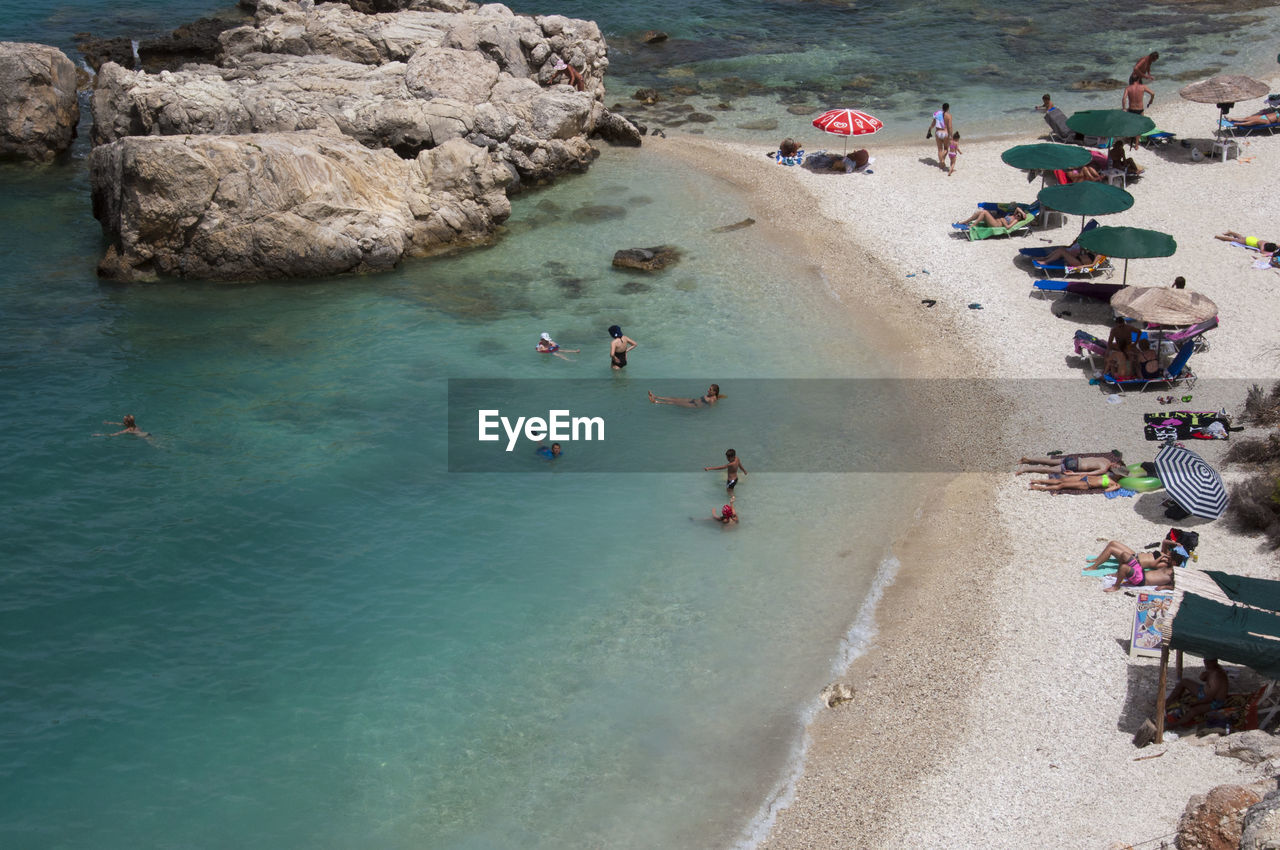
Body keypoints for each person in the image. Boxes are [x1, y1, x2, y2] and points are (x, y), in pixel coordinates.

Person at [1085, 540, 1181, 591]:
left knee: (1120, 562)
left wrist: (1164, 587)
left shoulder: (1166, 566)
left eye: (1171, 557)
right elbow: (1164, 541)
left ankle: (1115, 585)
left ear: (1175, 562)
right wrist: (1175, 543)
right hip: (1138, 563)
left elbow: (1176, 585)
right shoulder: (1167, 560)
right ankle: (1099, 560)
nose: (1169, 556)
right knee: (1117, 548)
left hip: (1140, 575)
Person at [1166, 658, 1229, 725]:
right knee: (1184, 682)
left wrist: (1196, 703)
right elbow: (1202, 678)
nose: (1205, 664)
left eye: (1207, 663)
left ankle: (1175, 725)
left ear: (1213, 662)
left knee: (1193, 711)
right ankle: (1168, 702)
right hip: (1204, 693)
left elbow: (1209, 698)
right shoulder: (1213, 670)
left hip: (1214, 702)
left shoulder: (1216, 676)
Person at [1015, 453, 1126, 476]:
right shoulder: (1104, 469)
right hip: (1073, 466)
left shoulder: (1104, 458)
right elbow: (1087, 474)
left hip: (1073, 459)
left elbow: (1090, 458)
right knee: (1048, 469)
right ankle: (1025, 468)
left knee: (1048, 461)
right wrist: (1073, 474)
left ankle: (1027, 459)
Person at [1027, 471, 1122, 493]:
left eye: (1118, 474)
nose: (1115, 473)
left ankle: (1040, 488)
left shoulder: (1114, 484)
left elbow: (1106, 491)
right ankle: (1039, 481)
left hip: (1086, 484)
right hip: (1085, 477)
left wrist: (1116, 487)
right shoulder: (1110, 475)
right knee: (1060, 480)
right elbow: (1094, 474)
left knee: (1062, 485)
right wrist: (1074, 473)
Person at [954, 205, 1026, 231]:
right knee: (981, 212)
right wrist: (1022, 213)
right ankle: (965, 221)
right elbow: (1017, 208)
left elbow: (1008, 227)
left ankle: (972, 226)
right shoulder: (1013, 215)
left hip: (996, 225)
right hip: (994, 221)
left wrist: (1003, 221)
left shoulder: (1015, 220)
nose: (1017, 215)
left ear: (1020, 218)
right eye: (1017, 214)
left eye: (1019, 216)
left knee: (984, 212)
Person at [926, 102, 953, 168]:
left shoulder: (937, 114)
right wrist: (951, 136)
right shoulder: (949, 116)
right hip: (945, 133)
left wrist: (930, 129)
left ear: (942, 108)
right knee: (946, 148)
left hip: (938, 133)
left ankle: (941, 162)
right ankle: (942, 160)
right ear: (948, 108)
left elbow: (933, 124)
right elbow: (950, 127)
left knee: (939, 149)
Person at [649, 384, 723, 408]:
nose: (708, 390)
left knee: (675, 403)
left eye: (710, 390)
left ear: (714, 392)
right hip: (693, 400)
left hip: (694, 405)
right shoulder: (712, 395)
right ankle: (656, 396)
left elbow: (710, 408)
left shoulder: (712, 399)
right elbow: (719, 396)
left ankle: (656, 402)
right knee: (675, 399)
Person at [1214, 231, 1279, 253]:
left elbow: (1276, 245)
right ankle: (1218, 237)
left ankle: (1231, 232)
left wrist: (1277, 247)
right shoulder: (1262, 246)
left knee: (1240, 236)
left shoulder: (1265, 242)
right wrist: (1272, 253)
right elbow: (1262, 251)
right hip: (1247, 242)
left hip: (1251, 238)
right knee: (1233, 240)